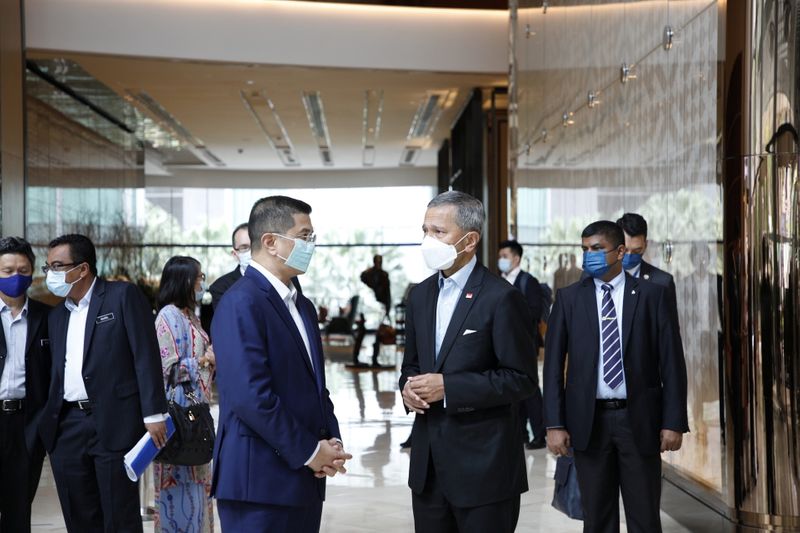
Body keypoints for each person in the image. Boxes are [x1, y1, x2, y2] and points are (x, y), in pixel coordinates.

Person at [399, 191, 538, 533]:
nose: (428, 241)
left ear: (470, 240)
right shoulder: (420, 295)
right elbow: (412, 364)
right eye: (425, 231)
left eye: (439, 232)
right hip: (429, 468)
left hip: (485, 470)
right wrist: (407, 388)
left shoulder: (502, 298)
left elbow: (521, 379)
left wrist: (449, 387)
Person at [211, 196, 351, 532]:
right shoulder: (240, 302)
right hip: (259, 482)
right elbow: (251, 397)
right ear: (271, 242)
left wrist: (329, 442)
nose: (311, 246)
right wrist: (308, 450)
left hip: (303, 475)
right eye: (304, 237)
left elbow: (315, 386)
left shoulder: (300, 305)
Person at [543, 220, 688, 533]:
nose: (589, 256)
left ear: (620, 251)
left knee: (645, 517)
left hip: (639, 420)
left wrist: (673, 421)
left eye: (597, 249)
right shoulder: (569, 298)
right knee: (597, 518)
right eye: (585, 250)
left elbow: (672, 362)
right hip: (588, 422)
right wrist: (554, 424)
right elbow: (553, 366)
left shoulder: (652, 295)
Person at [38, 234, 168, 533]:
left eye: (57, 266)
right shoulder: (57, 316)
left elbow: (145, 355)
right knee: (79, 515)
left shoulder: (122, 296)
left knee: (119, 517)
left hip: (114, 421)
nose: (51, 275)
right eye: (48, 267)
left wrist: (153, 413)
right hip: (66, 426)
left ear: (82, 269)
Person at [153, 256, 216, 532]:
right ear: (184, 281)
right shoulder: (167, 316)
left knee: (199, 485)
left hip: (196, 415)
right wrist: (204, 361)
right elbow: (166, 370)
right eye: (199, 278)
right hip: (178, 419)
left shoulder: (191, 316)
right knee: (177, 490)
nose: (202, 283)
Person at [0, 237, 50, 533]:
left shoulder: (48, 317)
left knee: (18, 509)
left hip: (26, 423)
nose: (14, 277)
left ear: (32, 273)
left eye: (22, 270)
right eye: (7, 271)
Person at [498, 239, 546, 449]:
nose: (501, 260)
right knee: (513, 387)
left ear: (516, 258)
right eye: (500, 257)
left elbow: (535, 311)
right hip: (502, 345)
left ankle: (540, 433)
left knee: (531, 388)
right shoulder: (497, 281)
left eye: (505, 257)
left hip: (524, 343)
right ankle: (520, 432)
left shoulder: (528, 281)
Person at [616, 213, 677, 306]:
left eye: (637, 250)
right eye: (625, 249)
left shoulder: (662, 282)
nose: (629, 255)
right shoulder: (597, 278)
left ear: (645, 245)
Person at [209, 222, 250, 310]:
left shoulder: (277, 278)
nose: (251, 252)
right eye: (244, 247)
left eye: (256, 246)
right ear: (235, 254)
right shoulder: (220, 287)